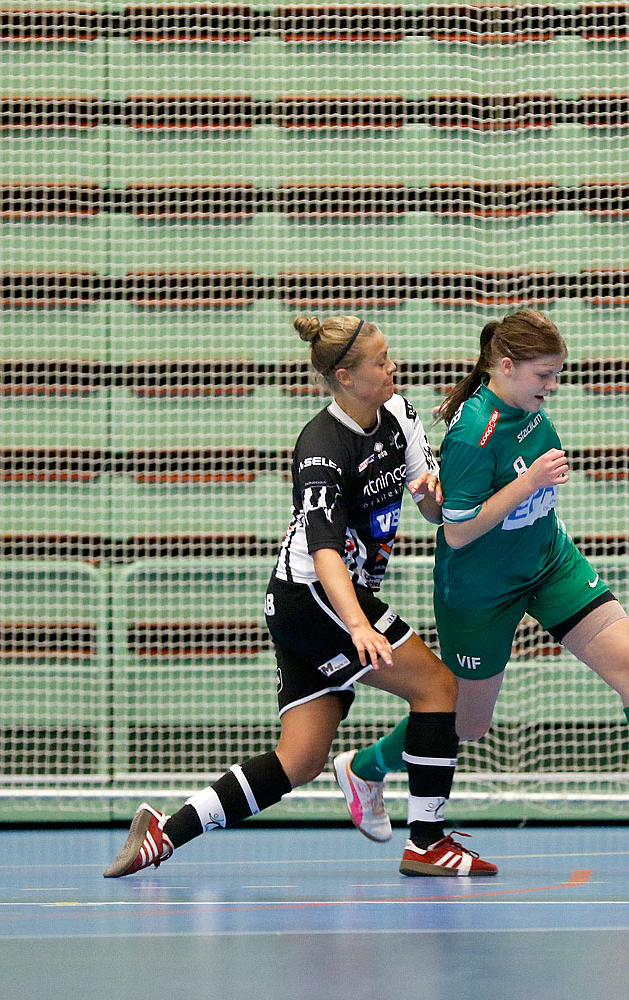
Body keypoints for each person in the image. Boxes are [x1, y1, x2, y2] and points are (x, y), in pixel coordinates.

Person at [333, 309, 629, 847]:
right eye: (544, 375)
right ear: (507, 367)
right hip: (480, 591)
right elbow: (459, 532)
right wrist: (531, 480)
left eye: (557, 373)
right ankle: (366, 768)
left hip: (549, 562)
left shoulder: (529, 409)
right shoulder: (472, 432)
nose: (553, 386)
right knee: (467, 723)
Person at [104, 316, 497, 879]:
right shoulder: (319, 447)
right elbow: (324, 551)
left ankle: (165, 833)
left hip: (318, 603)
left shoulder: (402, 416)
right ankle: (428, 842)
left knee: (301, 759)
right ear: (345, 377)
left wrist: (432, 497)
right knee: (437, 688)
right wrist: (359, 624)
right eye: (380, 361)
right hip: (314, 597)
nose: (393, 367)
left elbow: (430, 508)